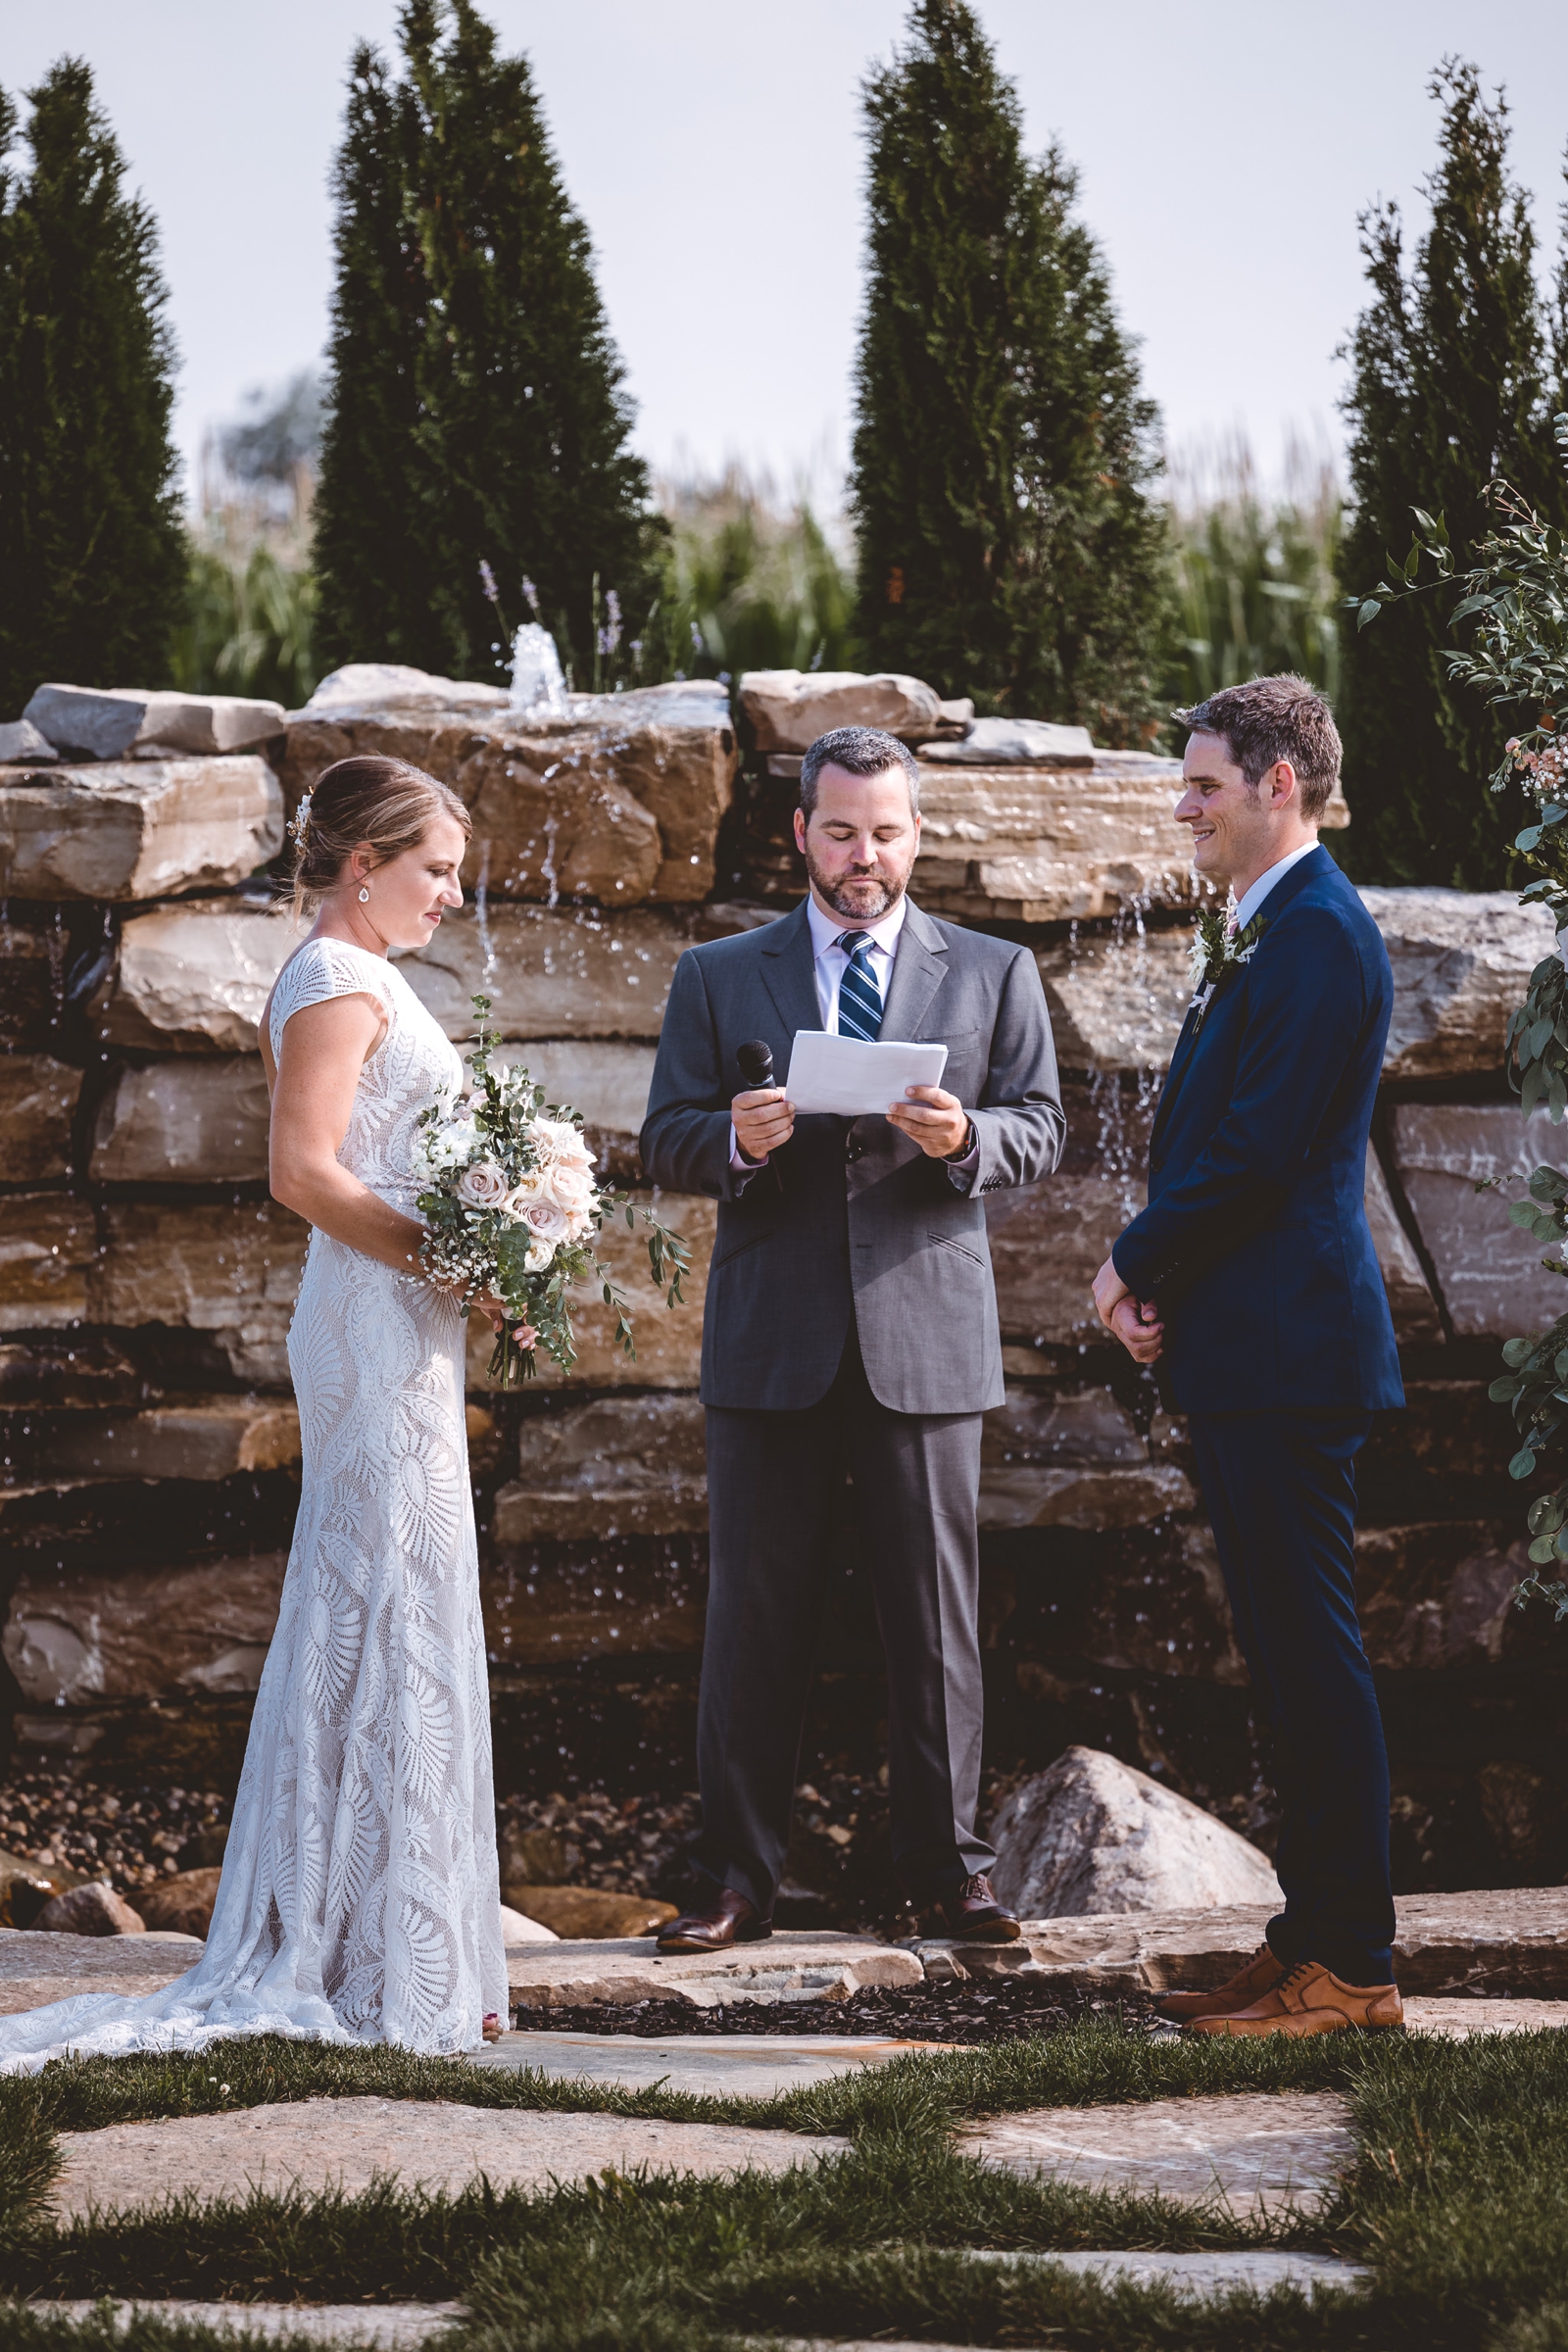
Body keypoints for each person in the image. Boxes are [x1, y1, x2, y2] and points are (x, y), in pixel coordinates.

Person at [0, 756, 523, 2073]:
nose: (452, 894)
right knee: (380, 1598)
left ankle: (398, 1951)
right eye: (436, 869)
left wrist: (497, 1251)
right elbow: (301, 1173)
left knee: (401, 1595)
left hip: (400, 1320)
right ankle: (367, 1963)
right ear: (364, 866)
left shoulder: (361, 973)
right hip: (370, 1317)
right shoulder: (339, 978)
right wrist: (456, 1255)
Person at [641, 724, 1064, 1951]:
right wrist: (737, 1138)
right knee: (750, 1616)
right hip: (770, 1340)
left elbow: (1039, 1126)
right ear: (800, 834)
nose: (862, 855)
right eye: (839, 831)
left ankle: (949, 1875)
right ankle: (731, 1880)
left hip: (925, 1339)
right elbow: (661, 1135)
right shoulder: (720, 974)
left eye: (884, 832)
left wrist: (964, 1141)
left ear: (914, 834)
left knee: (934, 1623)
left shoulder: (992, 971)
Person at [1093, 675, 1405, 2038]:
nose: (1186, 805)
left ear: (1281, 784)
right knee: (1282, 1663)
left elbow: (1260, 1154)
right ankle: (1309, 1942)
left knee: (1312, 1660)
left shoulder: (1323, 936)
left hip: (1290, 1352)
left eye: (1206, 783)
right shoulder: (1268, 928)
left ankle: (1354, 1967)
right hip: (1251, 1348)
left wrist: (1136, 1261)